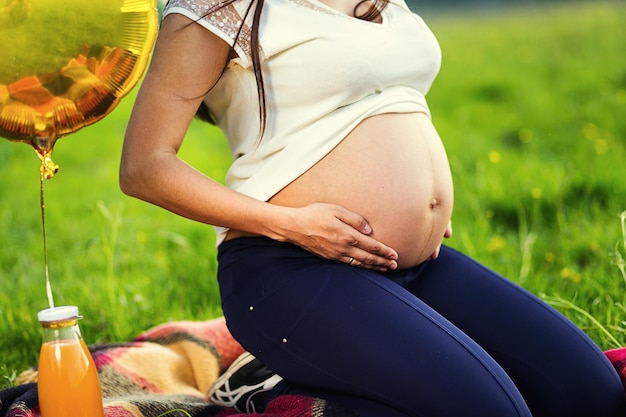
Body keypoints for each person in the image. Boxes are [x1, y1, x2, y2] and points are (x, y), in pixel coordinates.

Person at [119, 0, 626, 415]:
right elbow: (144, 166)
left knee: (592, 395)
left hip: (409, 265)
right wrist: (292, 225)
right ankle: (271, 396)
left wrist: (419, 198)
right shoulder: (219, 8)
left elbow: (385, 99)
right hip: (289, 269)